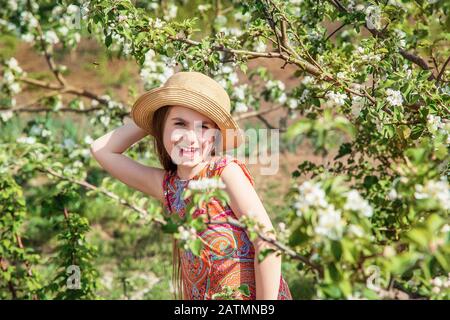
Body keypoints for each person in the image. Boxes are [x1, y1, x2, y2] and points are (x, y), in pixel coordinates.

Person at [90, 71, 292, 300]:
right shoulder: (168, 187)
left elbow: (267, 243)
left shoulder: (224, 172)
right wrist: (154, 116)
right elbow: (101, 149)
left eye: (204, 127)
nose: (191, 138)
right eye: (180, 124)